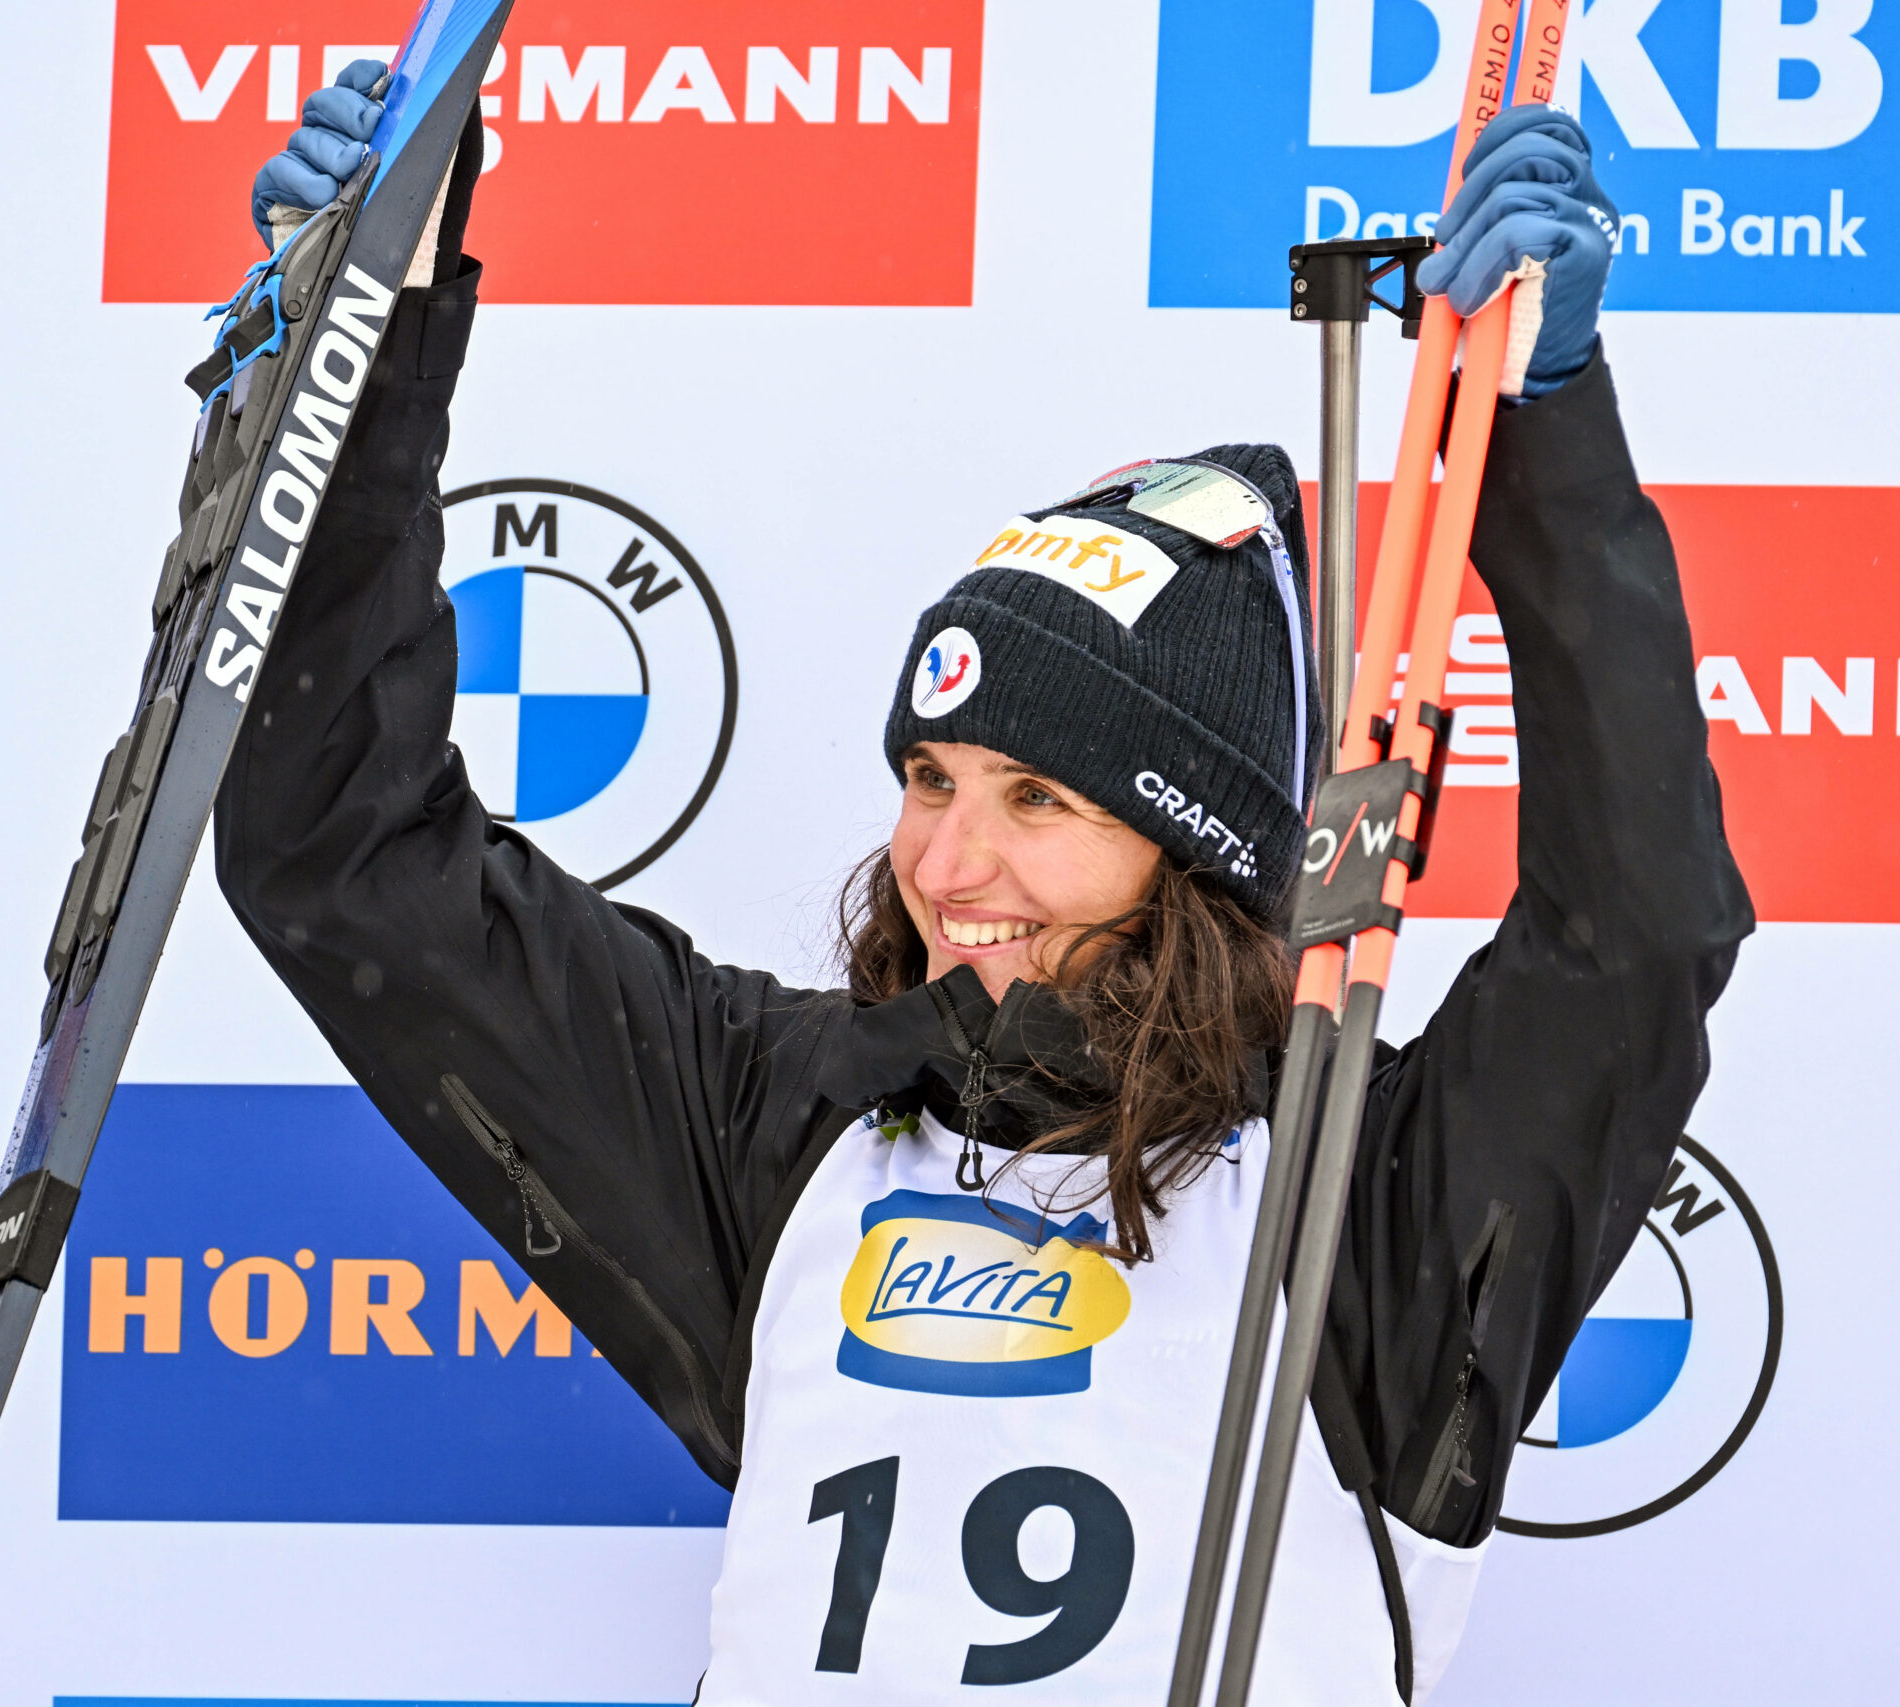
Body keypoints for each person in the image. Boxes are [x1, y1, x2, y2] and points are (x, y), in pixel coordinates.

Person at [219, 65, 1752, 1706]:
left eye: (1040, 799)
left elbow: (1637, 937)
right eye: (930, 779)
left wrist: (1544, 431)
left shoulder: (1371, 1204)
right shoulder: (785, 1121)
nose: (950, 865)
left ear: (1202, 853)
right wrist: (350, 384)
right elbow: (348, 861)